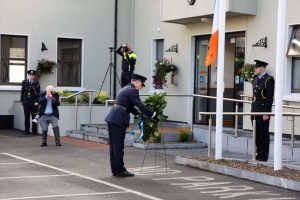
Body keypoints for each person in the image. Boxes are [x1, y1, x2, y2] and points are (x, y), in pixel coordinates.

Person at [105, 74, 157, 177]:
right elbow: (140, 105)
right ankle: (120, 170)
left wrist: (137, 114)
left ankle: (116, 170)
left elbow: (127, 105)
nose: (141, 87)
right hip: (119, 119)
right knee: (118, 147)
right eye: (141, 85)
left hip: (113, 118)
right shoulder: (133, 90)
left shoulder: (125, 88)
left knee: (114, 147)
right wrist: (153, 114)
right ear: (137, 82)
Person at [251, 60, 275, 162]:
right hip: (255, 110)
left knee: (263, 134)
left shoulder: (268, 79)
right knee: (256, 134)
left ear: (262, 68)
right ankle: (258, 153)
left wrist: (266, 112)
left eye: (256, 67)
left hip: (262, 110)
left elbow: (269, 98)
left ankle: (263, 156)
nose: (255, 69)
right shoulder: (256, 79)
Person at [20, 70, 40, 135]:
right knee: (26, 117)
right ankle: (26, 131)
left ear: (34, 76)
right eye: (30, 75)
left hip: (34, 103)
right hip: (26, 102)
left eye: (32, 75)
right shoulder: (24, 82)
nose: (31, 76)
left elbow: (38, 94)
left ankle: (34, 131)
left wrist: (37, 101)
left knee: (34, 117)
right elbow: (22, 92)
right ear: (28, 75)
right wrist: (22, 101)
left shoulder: (37, 83)